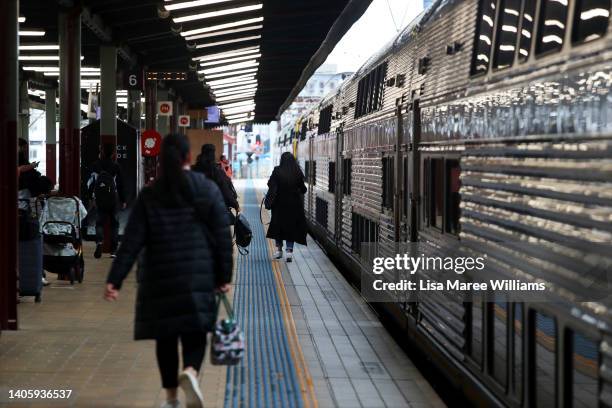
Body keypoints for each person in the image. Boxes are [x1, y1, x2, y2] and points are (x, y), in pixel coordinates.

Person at [104, 133, 233, 408]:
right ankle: (190, 372)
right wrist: (224, 277)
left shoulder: (151, 194)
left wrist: (115, 280)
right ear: (188, 157)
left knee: (166, 338)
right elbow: (222, 237)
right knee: (195, 332)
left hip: (158, 277)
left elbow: (132, 241)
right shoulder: (207, 189)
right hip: (198, 275)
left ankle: (172, 398)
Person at [266, 152, 308, 262]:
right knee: (291, 228)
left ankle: (279, 251)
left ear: (282, 160)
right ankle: (289, 251)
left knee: (278, 227)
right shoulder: (297, 171)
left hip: (279, 205)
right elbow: (303, 189)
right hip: (294, 205)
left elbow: (270, 184)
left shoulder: (277, 170)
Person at [87, 143, 126, 259]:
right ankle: (113, 250)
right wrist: (123, 199)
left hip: (99, 198)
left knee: (99, 223)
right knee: (114, 225)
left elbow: (90, 183)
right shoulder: (116, 166)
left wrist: (90, 197)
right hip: (113, 199)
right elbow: (120, 184)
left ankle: (99, 243)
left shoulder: (95, 165)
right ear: (113, 153)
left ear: (101, 151)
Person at [192, 144, 239, 213]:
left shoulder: (194, 169)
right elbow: (225, 191)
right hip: (213, 210)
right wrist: (235, 205)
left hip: (195, 210)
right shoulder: (216, 171)